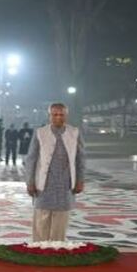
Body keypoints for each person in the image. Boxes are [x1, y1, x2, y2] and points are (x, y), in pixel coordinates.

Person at [25, 103, 86, 242]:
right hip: (43, 183)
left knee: (61, 221)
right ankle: (39, 249)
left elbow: (80, 159)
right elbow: (31, 159)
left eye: (61, 114)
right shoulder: (40, 132)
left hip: (65, 183)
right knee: (41, 218)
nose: (58, 117)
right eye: (55, 114)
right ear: (49, 116)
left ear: (66, 115)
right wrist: (30, 182)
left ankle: (57, 250)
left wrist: (80, 181)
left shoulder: (74, 132)